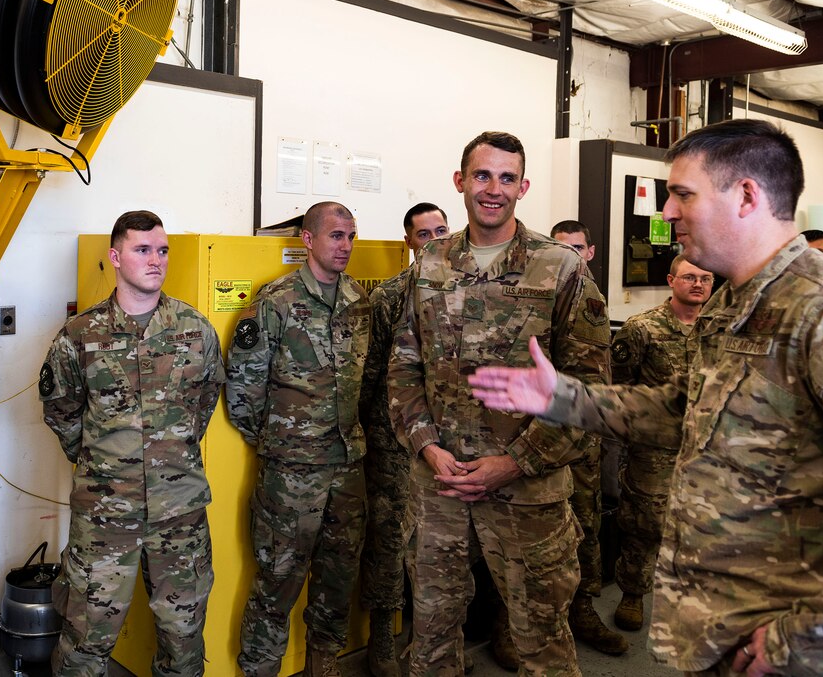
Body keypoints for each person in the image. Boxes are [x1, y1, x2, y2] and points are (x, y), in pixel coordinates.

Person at [469, 118, 823, 676]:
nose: (668, 212)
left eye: (682, 194)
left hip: (790, 645)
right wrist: (564, 398)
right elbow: (681, 411)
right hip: (721, 623)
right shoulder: (731, 307)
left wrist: (803, 638)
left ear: (746, 195)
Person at [389, 131, 611, 677]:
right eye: (482, 175)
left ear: (523, 187)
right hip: (440, 485)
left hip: (527, 491)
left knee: (542, 645)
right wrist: (427, 447)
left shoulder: (560, 268)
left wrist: (514, 463)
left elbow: (588, 392)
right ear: (460, 181)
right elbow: (403, 367)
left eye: (507, 178)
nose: (494, 189)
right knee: (433, 637)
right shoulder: (428, 266)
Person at [39, 210, 225, 677]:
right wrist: (108, 467)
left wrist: (164, 458)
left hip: (179, 513)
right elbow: (62, 413)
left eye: (162, 250)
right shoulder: (79, 336)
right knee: (85, 640)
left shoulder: (196, 330)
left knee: (183, 641)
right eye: (143, 250)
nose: (156, 259)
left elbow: (203, 404)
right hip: (105, 518)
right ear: (115, 257)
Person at [227, 201, 370, 677]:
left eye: (350, 236)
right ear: (308, 240)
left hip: (348, 467)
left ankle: (323, 663)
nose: (345, 245)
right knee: (278, 579)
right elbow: (243, 388)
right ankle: (260, 669)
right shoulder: (276, 301)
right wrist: (283, 442)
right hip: (291, 473)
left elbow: (363, 381)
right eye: (335, 236)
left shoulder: (358, 300)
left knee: (338, 575)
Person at [358, 202, 449, 677]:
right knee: (390, 541)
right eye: (422, 234)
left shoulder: (468, 289)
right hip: (393, 439)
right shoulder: (390, 297)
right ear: (409, 243)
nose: (433, 240)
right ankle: (381, 642)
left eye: (440, 229)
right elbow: (370, 373)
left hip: (451, 438)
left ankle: (432, 642)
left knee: (443, 545)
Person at [609, 254, 713, 632]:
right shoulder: (642, 329)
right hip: (654, 449)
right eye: (689, 277)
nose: (698, 284)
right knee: (645, 522)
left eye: (705, 278)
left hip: (706, 447)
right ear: (671, 280)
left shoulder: (720, 328)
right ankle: (633, 593)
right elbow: (618, 387)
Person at [549, 220, 628, 656]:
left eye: (578, 248)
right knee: (530, 536)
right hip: (543, 436)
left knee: (587, 526)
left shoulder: (595, 300)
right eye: (563, 249)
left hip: (586, 441)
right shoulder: (541, 295)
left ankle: (583, 610)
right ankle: (511, 623)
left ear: (591, 251)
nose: (572, 256)